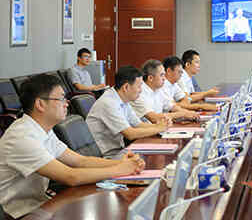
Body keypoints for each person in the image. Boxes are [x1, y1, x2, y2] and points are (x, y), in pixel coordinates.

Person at [0, 74, 144, 219]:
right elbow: (70, 176)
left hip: (39, 205)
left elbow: (80, 161)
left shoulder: (43, 129)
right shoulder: (22, 136)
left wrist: (122, 163)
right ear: (40, 104)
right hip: (16, 213)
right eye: (61, 98)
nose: (67, 103)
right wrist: (120, 169)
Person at [86, 66, 170, 158]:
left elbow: (138, 124)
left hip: (119, 150)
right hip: (105, 157)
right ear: (126, 87)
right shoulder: (109, 102)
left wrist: (160, 126)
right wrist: (158, 129)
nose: (141, 90)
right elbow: (130, 134)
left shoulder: (123, 99)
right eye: (139, 86)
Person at [130, 59, 201, 123]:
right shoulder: (139, 93)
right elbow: (154, 118)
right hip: (146, 130)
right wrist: (183, 114)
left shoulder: (158, 89)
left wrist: (189, 113)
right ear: (150, 78)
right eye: (161, 75)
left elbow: (172, 106)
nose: (164, 78)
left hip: (159, 127)